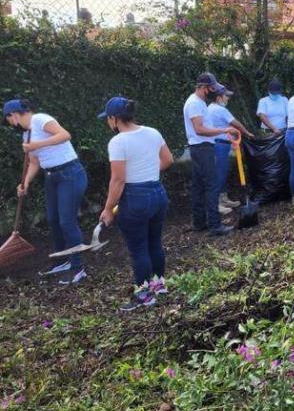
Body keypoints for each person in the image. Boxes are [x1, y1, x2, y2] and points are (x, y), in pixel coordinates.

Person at [98, 97, 174, 311]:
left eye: (108, 119)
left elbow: (118, 180)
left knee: (139, 249)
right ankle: (159, 286)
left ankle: (144, 296)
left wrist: (107, 209)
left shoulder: (118, 142)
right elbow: (168, 160)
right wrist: (147, 171)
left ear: (114, 119)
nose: (108, 123)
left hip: (135, 198)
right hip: (158, 193)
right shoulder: (153, 132)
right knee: (155, 243)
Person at [4, 99, 89, 284]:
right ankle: (62, 260)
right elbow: (34, 162)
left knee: (67, 221)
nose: (9, 123)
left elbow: (65, 135)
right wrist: (24, 183)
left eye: (8, 118)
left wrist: (37, 146)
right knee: (54, 220)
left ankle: (78, 268)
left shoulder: (40, 119)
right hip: (52, 177)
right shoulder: (26, 135)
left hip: (70, 174)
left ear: (14, 115)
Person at [183, 72, 237, 236]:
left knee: (198, 186)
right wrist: (223, 130)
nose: (214, 91)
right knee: (212, 185)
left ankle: (199, 223)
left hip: (199, 148)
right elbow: (199, 129)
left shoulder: (199, 102)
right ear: (204, 87)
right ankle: (215, 226)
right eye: (212, 88)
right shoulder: (194, 103)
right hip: (202, 148)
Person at [208, 83, 255, 214]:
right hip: (219, 145)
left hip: (218, 143)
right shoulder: (220, 110)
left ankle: (223, 198)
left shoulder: (210, 108)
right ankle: (216, 203)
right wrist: (247, 133)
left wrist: (233, 133)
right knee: (220, 173)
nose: (228, 98)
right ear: (219, 97)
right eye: (226, 96)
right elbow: (236, 123)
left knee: (221, 172)